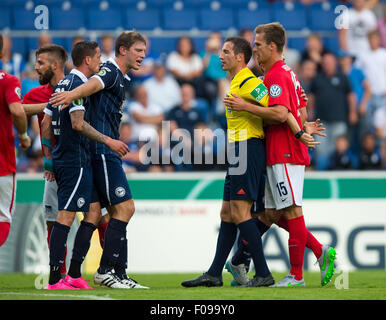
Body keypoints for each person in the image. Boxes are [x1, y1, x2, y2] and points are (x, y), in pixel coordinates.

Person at [224, 22, 336, 287]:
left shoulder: (276, 75)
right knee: (270, 214)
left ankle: (297, 274)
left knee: (292, 211)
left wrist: (244, 106)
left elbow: (280, 113)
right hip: (279, 150)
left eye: (258, 44)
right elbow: (300, 111)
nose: (255, 48)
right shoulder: (288, 73)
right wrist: (302, 125)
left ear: (272, 46)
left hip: (284, 150)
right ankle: (240, 260)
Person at [49, 30, 149, 289]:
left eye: (144, 51)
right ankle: (106, 271)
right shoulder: (111, 71)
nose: (143, 55)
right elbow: (94, 84)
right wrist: (72, 95)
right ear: (123, 50)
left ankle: (87, 273)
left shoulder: (121, 77)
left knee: (96, 214)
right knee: (125, 208)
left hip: (97, 152)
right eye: (138, 50)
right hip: (103, 152)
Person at [181, 36, 274, 288]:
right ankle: (213, 273)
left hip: (248, 148)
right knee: (227, 213)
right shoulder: (234, 81)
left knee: (241, 212)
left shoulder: (248, 81)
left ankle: (263, 273)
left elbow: (274, 106)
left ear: (240, 57)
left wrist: (246, 105)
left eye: (226, 52)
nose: (220, 56)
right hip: (237, 150)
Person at [0, 34, 31, 247]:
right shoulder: (9, 80)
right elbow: (17, 111)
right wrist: (23, 135)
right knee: (2, 219)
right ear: (3, 53)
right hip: (2, 164)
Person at [308, 52, 357, 170]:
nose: (327, 65)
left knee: (339, 150)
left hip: (339, 119)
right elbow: (311, 97)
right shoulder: (317, 78)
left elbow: (350, 96)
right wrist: (309, 111)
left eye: (329, 62)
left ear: (335, 63)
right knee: (321, 150)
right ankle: (322, 176)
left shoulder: (343, 77)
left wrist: (353, 112)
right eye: (325, 62)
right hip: (321, 121)